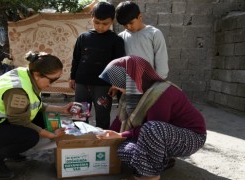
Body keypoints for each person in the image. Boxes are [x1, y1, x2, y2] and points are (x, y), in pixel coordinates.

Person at [0, 51, 73, 179]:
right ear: (37, 75)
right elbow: (20, 121)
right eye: (52, 80)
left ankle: (10, 150)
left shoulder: (26, 74)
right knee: (30, 137)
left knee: (41, 119)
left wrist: (62, 109)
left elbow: (35, 105)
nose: (51, 84)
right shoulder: (18, 90)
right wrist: (51, 135)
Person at [98, 56, 207, 180]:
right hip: (160, 137)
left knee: (152, 128)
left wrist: (121, 135)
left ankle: (149, 176)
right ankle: (162, 161)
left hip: (190, 137)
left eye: (117, 81)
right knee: (123, 149)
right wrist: (108, 134)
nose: (114, 86)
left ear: (130, 78)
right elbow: (121, 120)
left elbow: (153, 129)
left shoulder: (161, 93)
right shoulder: (132, 94)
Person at [69, 1, 125, 129]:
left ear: (112, 21)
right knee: (79, 116)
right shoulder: (83, 38)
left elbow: (119, 63)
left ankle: (102, 144)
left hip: (103, 86)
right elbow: (76, 59)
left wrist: (115, 84)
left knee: (103, 116)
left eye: (105, 23)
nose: (100, 26)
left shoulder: (116, 40)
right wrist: (73, 77)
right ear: (91, 18)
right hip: (82, 83)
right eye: (96, 22)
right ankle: (80, 141)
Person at [115, 1, 169, 79]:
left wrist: (159, 81)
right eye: (125, 25)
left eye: (131, 23)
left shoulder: (154, 34)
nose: (128, 27)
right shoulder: (121, 37)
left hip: (151, 82)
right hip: (130, 83)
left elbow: (161, 60)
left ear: (140, 17)